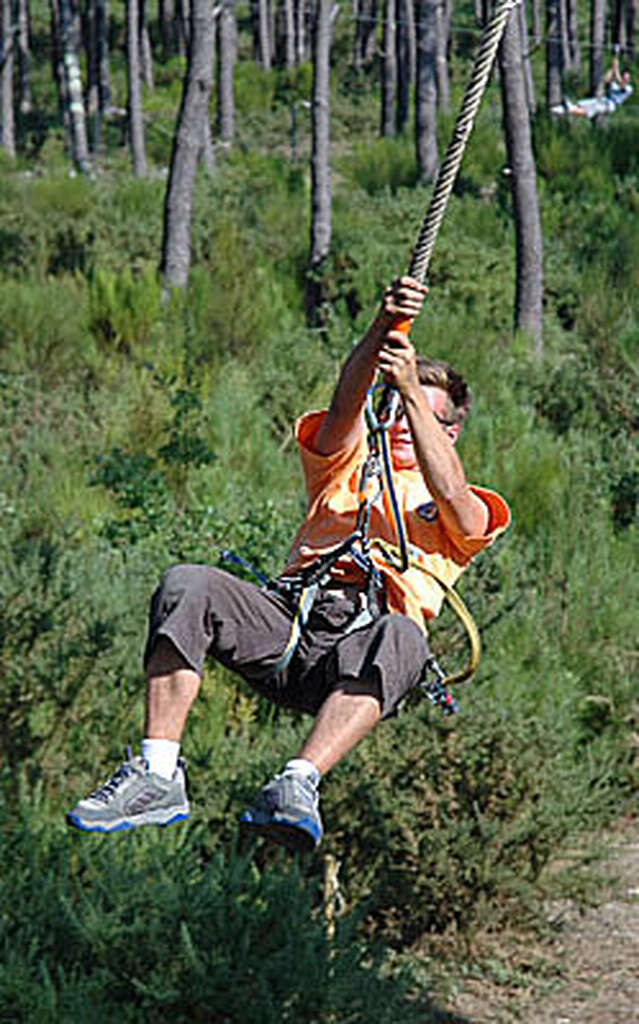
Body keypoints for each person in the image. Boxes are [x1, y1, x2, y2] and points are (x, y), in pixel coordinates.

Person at [67, 278, 510, 851]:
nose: (399, 419)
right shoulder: (346, 468)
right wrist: (382, 328)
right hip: (289, 622)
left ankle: (298, 784)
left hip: (362, 650)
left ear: (449, 429)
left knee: (405, 637)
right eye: (395, 410)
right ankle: (156, 773)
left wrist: (406, 388)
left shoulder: (463, 508)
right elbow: (348, 400)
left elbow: (455, 499)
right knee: (189, 586)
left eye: (415, 413)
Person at [551, 55, 633, 119]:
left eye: (626, 78)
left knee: (591, 110)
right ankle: (565, 110)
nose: (625, 79)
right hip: (603, 100)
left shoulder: (629, 88)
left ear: (629, 79)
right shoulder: (615, 84)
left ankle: (570, 109)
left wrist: (616, 70)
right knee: (584, 103)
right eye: (624, 77)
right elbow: (606, 79)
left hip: (610, 105)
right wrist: (612, 69)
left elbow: (622, 85)